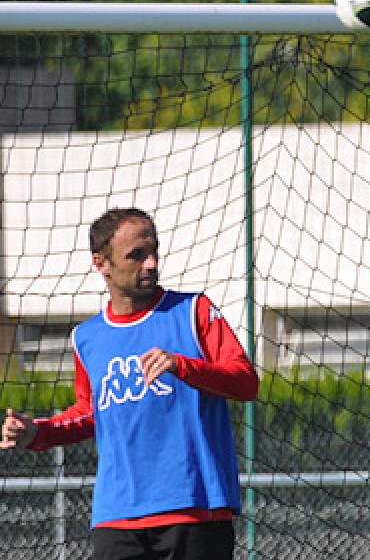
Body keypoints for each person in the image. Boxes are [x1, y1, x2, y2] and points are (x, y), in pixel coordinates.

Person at [0, 208, 259, 560]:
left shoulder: (194, 311)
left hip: (195, 512)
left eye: (153, 252)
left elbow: (246, 383)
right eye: (136, 256)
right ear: (101, 263)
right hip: (116, 518)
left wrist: (182, 365)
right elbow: (91, 412)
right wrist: (38, 432)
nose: (151, 264)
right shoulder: (86, 338)